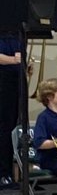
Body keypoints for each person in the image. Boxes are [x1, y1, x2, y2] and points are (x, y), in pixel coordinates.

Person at [0, 30, 22, 187]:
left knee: (14, 128)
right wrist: (15, 60)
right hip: (3, 83)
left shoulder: (16, 35)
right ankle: (3, 173)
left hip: (16, 82)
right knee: (4, 129)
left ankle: (12, 173)